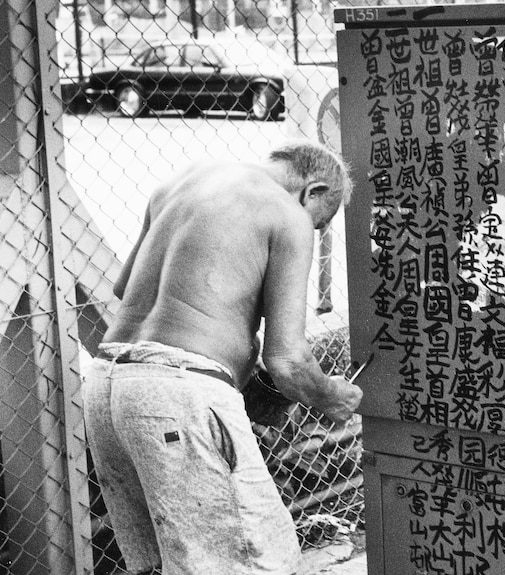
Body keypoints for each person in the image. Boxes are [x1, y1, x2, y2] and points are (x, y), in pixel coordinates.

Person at [82, 140, 363, 575]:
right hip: (178, 396)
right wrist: (332, 397)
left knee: (165, 563)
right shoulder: (286, 213)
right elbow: (288, 362)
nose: (315, 231)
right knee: (260, 561)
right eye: (320, 222)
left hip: (108, 388)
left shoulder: (181, 181)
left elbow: (124, 289)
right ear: (313, 191)